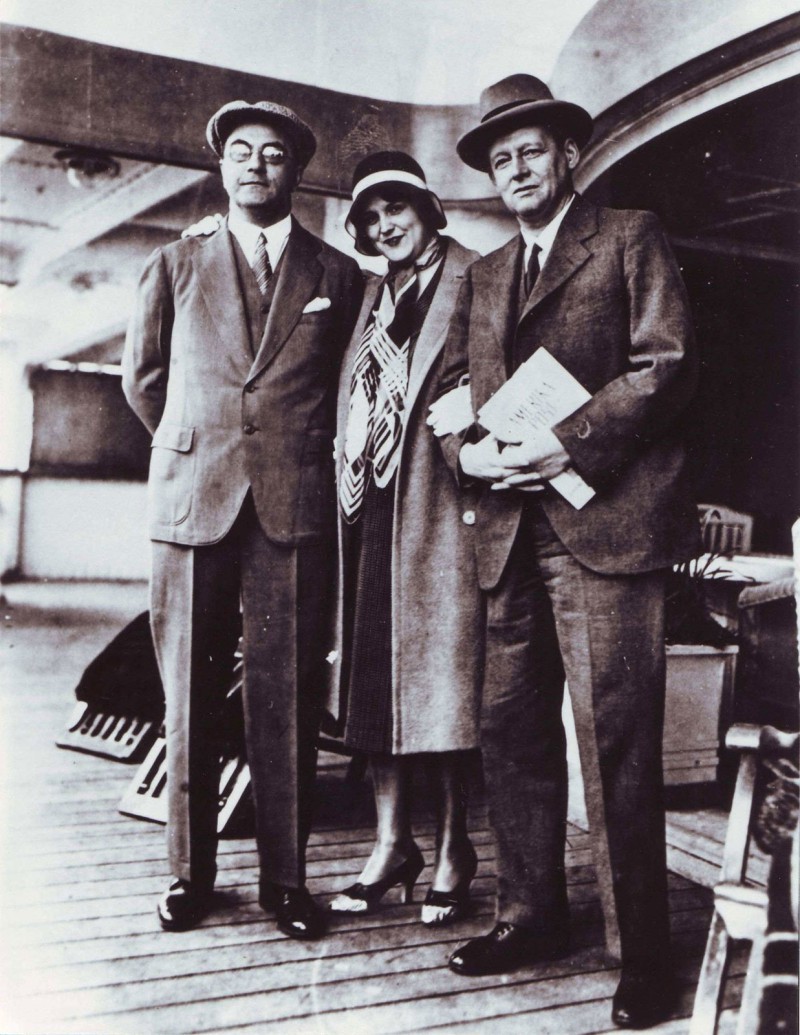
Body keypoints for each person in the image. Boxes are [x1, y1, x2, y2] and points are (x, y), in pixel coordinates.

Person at [432, 75, 701, 1028]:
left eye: (530, 151)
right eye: (499, 159)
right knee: (512, 735)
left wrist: (568, 440)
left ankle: (644, 956)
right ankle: (530, 915)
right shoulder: (482, 274)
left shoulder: (628, 235)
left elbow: (663, 364)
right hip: (510, 534)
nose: (515, 169)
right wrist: (467, 452)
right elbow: (456, 391)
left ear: (566, 156)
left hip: (608, 530)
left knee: (617, 745)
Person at [122, 99, 362, 940]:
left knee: (286, 697)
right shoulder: (173, 262)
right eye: (242, 153)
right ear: (222, 167)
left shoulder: (338, 274)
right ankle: (190, 873)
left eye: (273, 154)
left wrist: (274, 455)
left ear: (295, 170)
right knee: (186, 693)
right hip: (193, 499)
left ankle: (286, 882)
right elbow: (143, 382)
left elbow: (344, 392)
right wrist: (202, 451)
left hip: (291, 507)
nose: (256, 166)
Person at [327, 152, 484, 924]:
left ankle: (455, 849)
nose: (385, 225)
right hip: (374, 509)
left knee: (445, 687)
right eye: (371, 216)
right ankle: (393, 843)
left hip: (446, 507)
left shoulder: (477, 277)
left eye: (398, 208)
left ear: (428, 210)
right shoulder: (374, 293)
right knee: (375, 685)